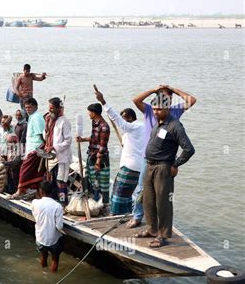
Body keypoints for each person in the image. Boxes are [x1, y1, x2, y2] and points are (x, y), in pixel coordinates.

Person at [127, 85, 197, 229]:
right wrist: (153, 89)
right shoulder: (149, 110)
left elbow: (192, 100)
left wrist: (173, 89)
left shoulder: (175, 112)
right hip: (148, 158)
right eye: (161, 98)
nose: (164, 101)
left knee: (162, 193)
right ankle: (137, 217)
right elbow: (135, 100)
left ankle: (159, 226)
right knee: (142, 189)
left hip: (166, 160)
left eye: (167, 98)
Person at [94, 86, 145, 215]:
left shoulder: (135, 126)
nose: (122, 122)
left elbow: (118, 121)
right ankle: (126, 214)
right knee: (126, 194)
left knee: (118, 193)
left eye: (124, 118)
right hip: (138, 166)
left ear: (129, 118)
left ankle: (115, 215)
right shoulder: (137, 129)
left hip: (130, 167)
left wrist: (103, 102)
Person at [9, 98, 46, 198]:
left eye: (30, 107)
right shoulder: (31, 117)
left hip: (36, 148)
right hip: (32, 148)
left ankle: (20, 191)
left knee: (24, 169)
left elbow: (41, 134)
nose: (28, 109)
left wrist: (42, 148)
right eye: (26, 107)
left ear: (36, 107)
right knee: (37, 173)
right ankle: (39, 193)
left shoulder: (36, 117)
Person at [77, 103, 111, 206]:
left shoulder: (104, 126)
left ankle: (103, 204)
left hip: (100, 158)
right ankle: (94, 202)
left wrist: (98, 162)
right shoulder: (94, 123)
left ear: (94, 113)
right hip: (92, 155)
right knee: (92, 180)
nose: (88, 114)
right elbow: (94, 138)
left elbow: (102, 146)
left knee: (101, 182)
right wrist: (82, 139)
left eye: (89, 112)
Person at [44, 97, 72, 206]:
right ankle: (52, 202)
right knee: (50, 180)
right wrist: (46, 125)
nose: (49, 110)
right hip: (51, 157)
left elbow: (68, 141)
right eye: (49, 108)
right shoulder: (50, 120)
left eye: (51, 108)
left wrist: (54, 147)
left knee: (61, 181)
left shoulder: (64, 122)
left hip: (61, 157)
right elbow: (47, 135)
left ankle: (63, 203)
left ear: (58, 109)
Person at [31, 181, 64, 272]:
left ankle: (43, 271)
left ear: (41, 191)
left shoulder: (34, 203)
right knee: (55, 259)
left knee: (43, 256)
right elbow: (59, 227)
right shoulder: (57, 206)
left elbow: (35, 216)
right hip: (53, 239)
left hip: (40, 238)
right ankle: (53, 276)